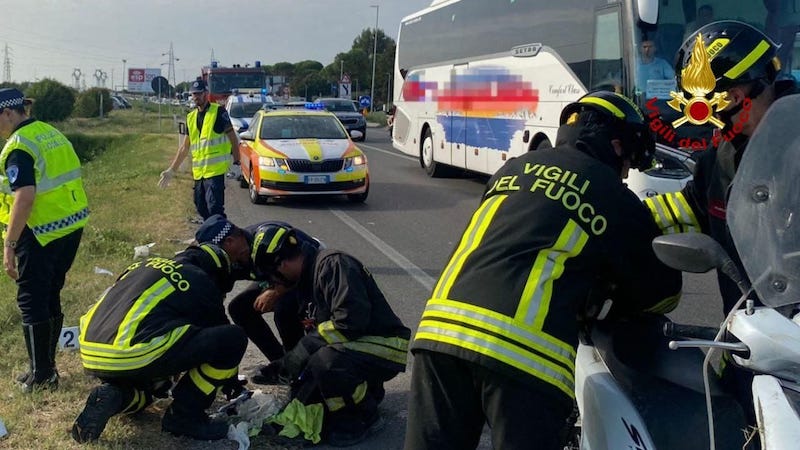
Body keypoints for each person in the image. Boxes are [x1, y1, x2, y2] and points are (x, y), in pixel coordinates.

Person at [403, 91, 683, 450]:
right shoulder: (611, 192)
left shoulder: (513, 168)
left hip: (439, 337)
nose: (627, 172)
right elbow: (661, 292)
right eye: (629, 162)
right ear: (616, 146)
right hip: (523, 358)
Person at [642, 20, 797, 423]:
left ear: (737, 94)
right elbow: (680, 213)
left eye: (706, 102)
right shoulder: (718, 162)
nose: (705, 117)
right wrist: (611, 221)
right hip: (747, 347)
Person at [71, 242, 249, 443]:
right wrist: (230, 381)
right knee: (234, 338)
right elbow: (221, 339)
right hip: (134, 350)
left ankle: (116, 396)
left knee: (155, 386)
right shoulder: (201, 280)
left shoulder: (142, 265)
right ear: (217, 272)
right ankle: (184, 416)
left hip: (92, 349)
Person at [250, 223, 410, 446]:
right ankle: (366, 392)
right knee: (314, 368)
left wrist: (303, 350)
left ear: (282, 263)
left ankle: (361, 417)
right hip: (359, 346)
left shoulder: (333, 265)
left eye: (272, 276)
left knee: (324, 361)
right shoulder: (307, 281)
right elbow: (320, 333)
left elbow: (350, 322)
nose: (274, 284)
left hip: (386, 345)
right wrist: (287, 370)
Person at [0, 88, 90, 393]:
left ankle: (41, 375)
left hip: (39, 231)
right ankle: (45, 368)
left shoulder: (19, 147)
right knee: (51, 292)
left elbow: (24, 197)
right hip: (69, 226)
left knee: (31, 299)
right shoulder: (49, 132)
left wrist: (9, 244)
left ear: (9, 113)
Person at [194, 214, 322, 364]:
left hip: (313, 278)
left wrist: (276, 291)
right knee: (238, 308)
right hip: (277, 279)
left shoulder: (269, 235)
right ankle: (279, 363)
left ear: (229, 242)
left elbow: (307, 265)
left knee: (284, 308)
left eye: (218, 252)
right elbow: (216, 293)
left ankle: (300, 366)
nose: (218, 258)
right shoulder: (231, 260)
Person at [158, 79, 240, 221]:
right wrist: (172, 170)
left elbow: (233, 137)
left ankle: (221, 236)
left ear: (206, 94)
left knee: (215, 208)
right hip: (199, 174)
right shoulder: (191, 117)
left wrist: (237, 160)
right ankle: (213, 232)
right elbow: (184, 147)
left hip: (215, 172)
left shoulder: (219, 112)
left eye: (199, 93)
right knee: (200, 206)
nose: (196, 97)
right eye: (194, 94)